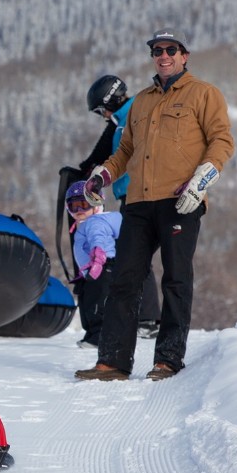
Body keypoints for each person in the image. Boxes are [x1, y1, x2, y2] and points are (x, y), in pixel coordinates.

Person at [75, 28, 234, 382]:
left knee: (177, 279)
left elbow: (222, 141)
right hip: (139, 203)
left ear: (184, 55)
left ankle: (167, 360)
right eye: (157, 50)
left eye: (170, 50)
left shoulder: (204, 94)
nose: (163, 55)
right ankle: (113, 362)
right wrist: (102, 176)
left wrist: (202, 180)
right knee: (124, 280)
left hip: (181, 201)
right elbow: (125, 152)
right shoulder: (143, 101)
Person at [77, 74, 161, 339]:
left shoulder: (130, 118)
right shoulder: (123, 118)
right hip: (134, 194)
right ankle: (145, 317)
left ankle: (147, 319)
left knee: (136, 253)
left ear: (110, 103)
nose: (103, 116)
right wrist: (89, 165)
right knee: (133, 253)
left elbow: (121, 153)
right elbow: (108, 142)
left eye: (102, 110)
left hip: (140, 195)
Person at [65, 181, 122, 350]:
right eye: (74, 206)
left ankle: (98, 337)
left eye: (84, 205)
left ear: (97, 205)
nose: (79, 211)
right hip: (93, 270)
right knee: (88, 302)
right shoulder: (87, 224)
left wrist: (97, 261)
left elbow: (98, 242)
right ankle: (92, 335)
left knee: (97, 303)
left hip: (101, 268)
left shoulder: (95, 223)